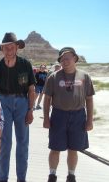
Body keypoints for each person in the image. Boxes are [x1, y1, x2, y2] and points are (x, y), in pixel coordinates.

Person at [0, 32, 35, 182]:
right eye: (5, 48)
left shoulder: (25, 64)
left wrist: (30, 110)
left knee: (23, 142)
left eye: (11, 47)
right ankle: (3, 178)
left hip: (22, 102)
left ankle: (21, 178)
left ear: (17, 48)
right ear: (2, 50)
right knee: (4, 143)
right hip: (3, 104)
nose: (8, 51)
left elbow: (32, 89)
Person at [43, 47, 94, 182]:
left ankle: (71, 175)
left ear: (75, 59)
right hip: (58, 116)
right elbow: (47, 99)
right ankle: (52, 175)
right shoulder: (53, 77)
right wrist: (46, 118)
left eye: (67, 58)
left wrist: (90, 120)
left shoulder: (84, 76)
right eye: (62, 59)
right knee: (55, 148)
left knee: (73, 148)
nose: (65, 61)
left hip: (78, 116)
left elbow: (89, 99)